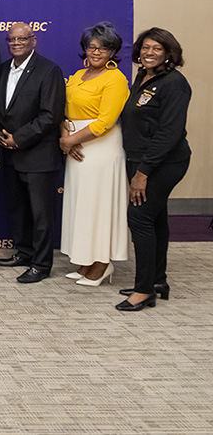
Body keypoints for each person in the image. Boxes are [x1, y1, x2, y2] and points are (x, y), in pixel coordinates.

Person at [117, 28, 191, 311]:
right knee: (156, 218)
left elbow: (169, 133)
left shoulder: (175, 83)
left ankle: (143, 290)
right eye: (145, 47)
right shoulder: (143, 76)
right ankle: (157, 281)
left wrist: (143, 172)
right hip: (139, 159)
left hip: (163, 163)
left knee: (139, 218)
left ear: (169, 53)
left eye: (157, 48)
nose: (149, 53)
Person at [0, 23, 66, 283]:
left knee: (41, 215)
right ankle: (24, 252)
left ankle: (41, 265)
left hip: (38, 155)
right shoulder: (2, 69)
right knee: (18, 209)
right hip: (9, 154)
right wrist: (1, 134)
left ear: (33, 40)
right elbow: (0, 109)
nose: (16, 43)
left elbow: (51, 115)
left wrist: (18, 139)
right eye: (11, 39)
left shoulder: (49, 70)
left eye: (22, 39)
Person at [58, 22, 130, 287]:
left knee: (99, 205)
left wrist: (70, 141)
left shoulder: (115, 79)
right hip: (75, 146)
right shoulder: (78, 75)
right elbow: (64, 110)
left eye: (104, 47)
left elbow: (105, 122)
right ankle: (86, 260)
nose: (97, 52)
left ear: (113, 51)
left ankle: (102, 263)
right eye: (92, 46)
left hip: (101, 148)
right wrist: (65, 135)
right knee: (82, 205)